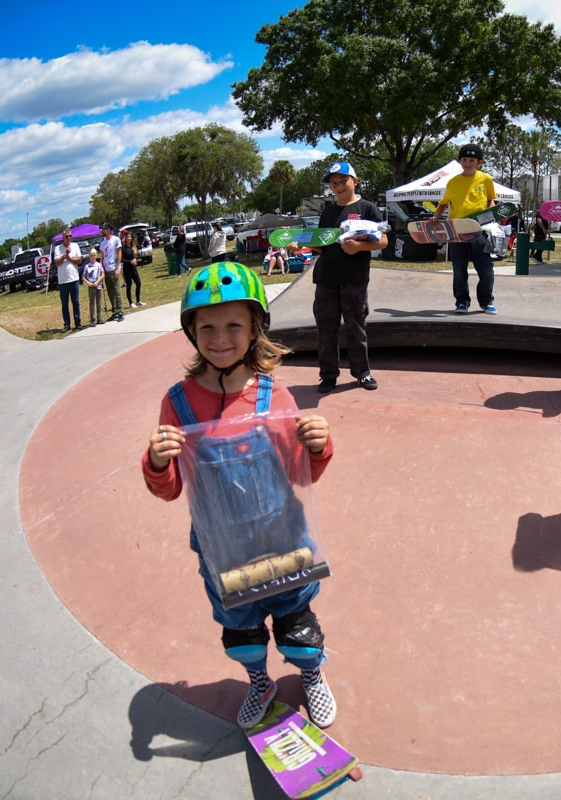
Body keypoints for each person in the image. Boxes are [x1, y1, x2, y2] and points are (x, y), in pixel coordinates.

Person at [140, 262, 338, 730]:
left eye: (234, 325)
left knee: (297, 627)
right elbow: (170, 491)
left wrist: (318, 443)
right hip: (220, 546)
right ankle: (259, 681)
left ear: (254, 330)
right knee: (242, 632)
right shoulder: (178, 401)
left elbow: (300, 474)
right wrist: (158, 461)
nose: (220, 337)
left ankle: (311, 673)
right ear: (191, 333)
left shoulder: (275, 394)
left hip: (281, 536)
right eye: (206, 327)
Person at [313, 162, 387, 393]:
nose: (338, 186)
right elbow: (321, 244)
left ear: (354, 181)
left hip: (354, 279)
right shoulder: (327, 212)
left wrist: (359, 247)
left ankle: (362, 373)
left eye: (343, 181)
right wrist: (303, 245)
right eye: (333, 183)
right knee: (326, 329)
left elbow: (383, 241)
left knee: (355, 327)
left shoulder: (367, 208)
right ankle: (328, 376)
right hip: (325, 278)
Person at [432, 143, 497, 314]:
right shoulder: (453, 182)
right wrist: (436, 216)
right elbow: (443, 203)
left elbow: (491, 200)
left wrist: (492, 214)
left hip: (479, 229)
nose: (468, 163)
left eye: (472, 160)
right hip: (457, 231)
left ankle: (486, 301)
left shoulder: (485, 179)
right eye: (465, 160)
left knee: (485, 269)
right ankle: (462, 301)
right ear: (460, 161)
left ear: (479, 162)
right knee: (459, 270)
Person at [52, 228, 83, 332]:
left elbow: (79, 260)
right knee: (64, 304)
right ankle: (67, 324)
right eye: (67, 236)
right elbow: (57, 263)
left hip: (74, 278)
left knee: (76, 302)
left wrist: (69, 258)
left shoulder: (75, 246)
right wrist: (64, 255)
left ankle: (78, 322)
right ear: (63, 238)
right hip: (63, 281)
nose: (69, 238)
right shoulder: (58, 248)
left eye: (70, 236)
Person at [100, 222, 124, 322]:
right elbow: (102, 257)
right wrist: (101, 270)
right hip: (106, 270)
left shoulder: (115, 240)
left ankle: (120, 311)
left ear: (108, 230)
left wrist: (117, 268)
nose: (102, 231)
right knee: (110, 292)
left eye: (104, 229)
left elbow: (119, 254)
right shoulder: (102, 243)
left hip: (114, 268)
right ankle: (114, 311)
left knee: (117, 290)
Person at [82, 245, 105, 325]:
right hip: (91, 286)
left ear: (96, 256)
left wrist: (98, 281)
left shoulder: (99, 265)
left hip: (98, 285)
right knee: (92, 303)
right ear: (89, 256)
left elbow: (103, 274)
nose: (93, 257)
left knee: (99, 302)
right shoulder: (87, 266)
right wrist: (89, 283)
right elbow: (83, 277)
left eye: (94, 255)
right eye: (92, 256)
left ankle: (99, 318)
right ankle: (92, 320)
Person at [121, 230, 144, 309]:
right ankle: (131, 303)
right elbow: (122, 259)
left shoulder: (133, 246)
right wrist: (130, 261)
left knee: (138, 283)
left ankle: (138, 301)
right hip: (127, 268)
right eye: (127, 237)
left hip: (133, 268)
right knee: (129, 285)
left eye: (130, 237)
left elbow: (136, 255)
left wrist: (135, 259)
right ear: (125, 238)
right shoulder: (123, 247)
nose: (129, 238)